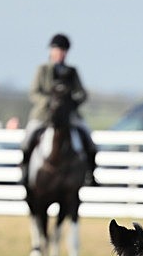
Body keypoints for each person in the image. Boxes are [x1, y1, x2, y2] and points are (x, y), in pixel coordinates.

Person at [20, 33, 98, 187]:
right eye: (56, 50)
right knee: (28, 141)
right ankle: (25, 174)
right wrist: (49, 102)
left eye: (62, 50)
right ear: (51, 51)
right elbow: (34, 92)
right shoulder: (42, 70)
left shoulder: (72, 71)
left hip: (68, 116)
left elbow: (82, 93)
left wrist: (71, 103)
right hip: (43, 116)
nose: (59, 53)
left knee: (88, 139)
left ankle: (90, 174)